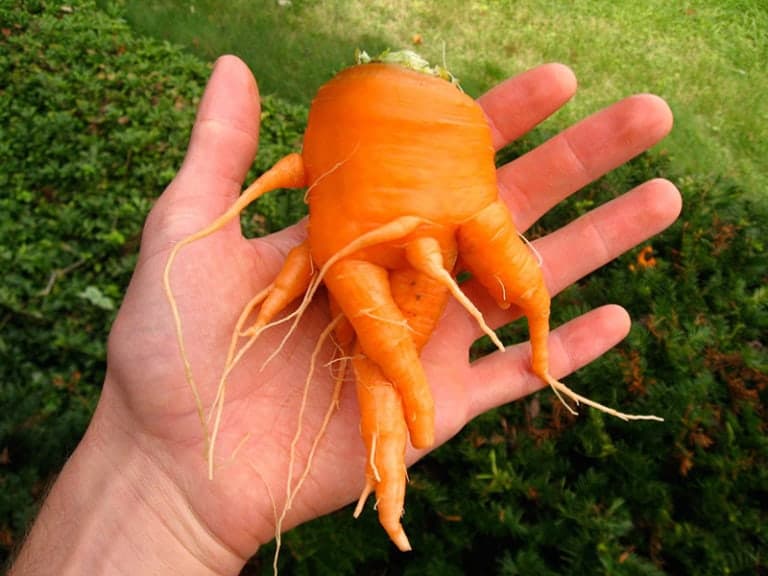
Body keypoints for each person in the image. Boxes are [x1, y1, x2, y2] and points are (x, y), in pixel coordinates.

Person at [8, 55, 681, 575]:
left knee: (392, 348)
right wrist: (159, 475)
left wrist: (157, 488)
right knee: (385, 349)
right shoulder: (352, 120)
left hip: (381, 161)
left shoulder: (397, 130)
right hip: (359, 154)